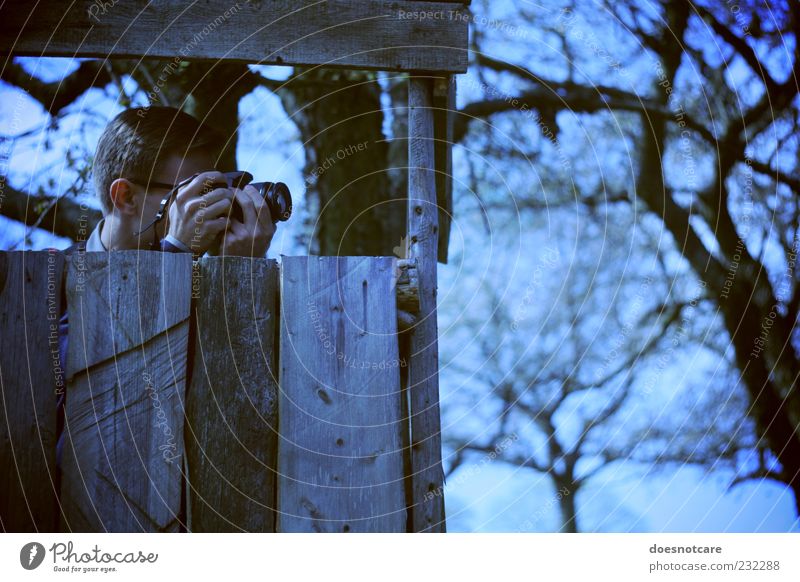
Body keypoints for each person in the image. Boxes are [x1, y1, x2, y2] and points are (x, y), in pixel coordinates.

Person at [56, 107, 275, 516]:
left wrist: (237, 278)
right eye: (193, 192)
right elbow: (91, 397)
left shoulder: (207, 280)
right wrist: (172, 254)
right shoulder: (46, 292)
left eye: (216, 190)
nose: (213, 206)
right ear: (126, 197)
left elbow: (245, 407)